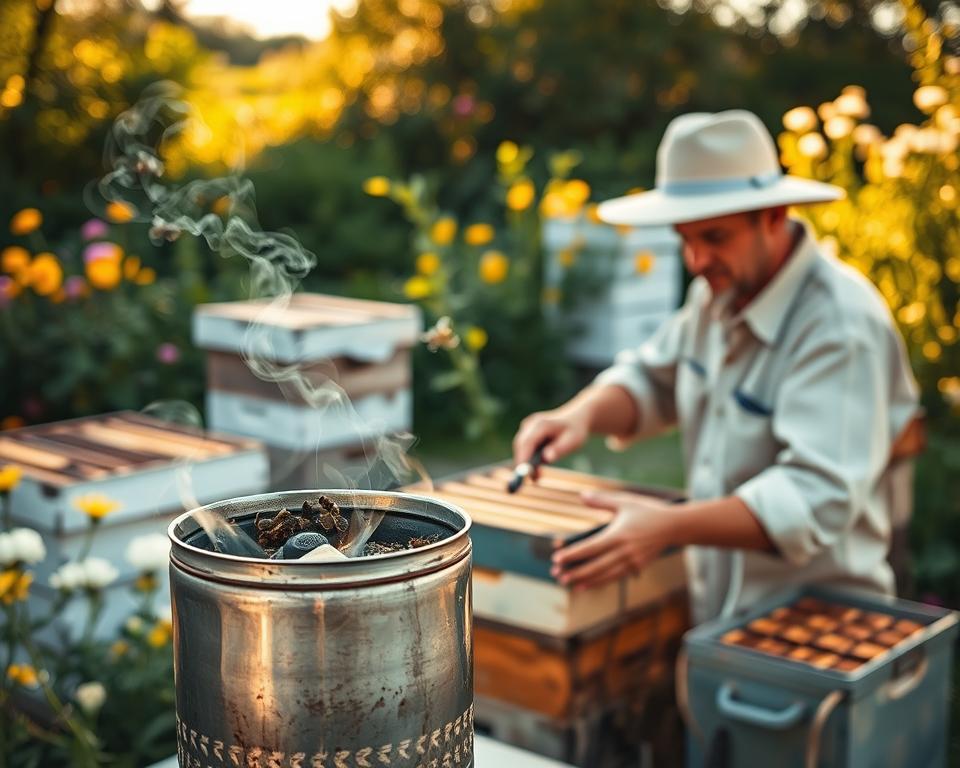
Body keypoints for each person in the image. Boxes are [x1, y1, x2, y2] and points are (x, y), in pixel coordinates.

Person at [512, 110, 919, 623]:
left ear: (774, 215)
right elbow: (652, 380)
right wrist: (580, 414)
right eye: (685, 238)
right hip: (723, 618)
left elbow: (813, 497)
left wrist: (668, 526)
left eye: (715, 237)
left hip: (823, 625)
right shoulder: (717, 296)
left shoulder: (840, 325)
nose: (697, 260)